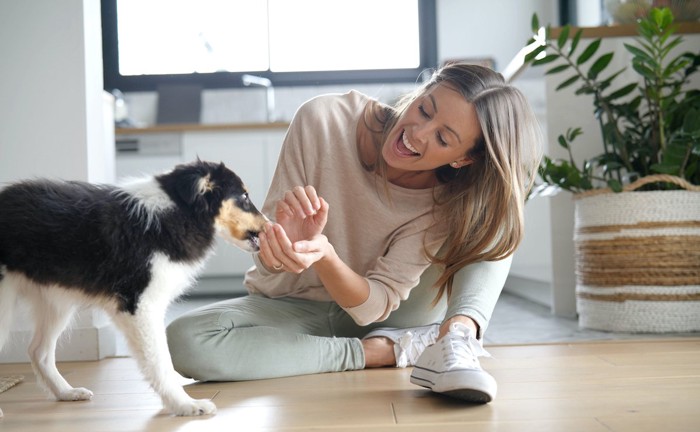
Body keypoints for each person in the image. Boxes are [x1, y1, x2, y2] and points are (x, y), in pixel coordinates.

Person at [166, 62, 542, 403]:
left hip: (391, 314)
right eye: (424, 109)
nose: (417, 133)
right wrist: (281, 246)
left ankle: (456, 337)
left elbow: (374, 306)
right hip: (293, 305)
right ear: (422, 92)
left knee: (498, 206)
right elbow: (269, 262)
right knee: (186, 339)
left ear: (462, 158)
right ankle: (384, 352)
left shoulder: (446, 202)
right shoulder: (323, 120)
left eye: (443, 139)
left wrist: (326, 255)